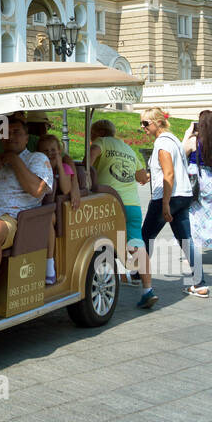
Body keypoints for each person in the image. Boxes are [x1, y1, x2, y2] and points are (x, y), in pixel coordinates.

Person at [0, 116, 53, 313]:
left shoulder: (38, 159)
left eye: (17, 132)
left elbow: (36, 190)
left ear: (27, 138)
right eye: (7, 133)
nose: (11, 137)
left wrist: (15, 161)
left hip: (14, 220)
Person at [139, 107, 204, 299]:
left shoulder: (161, 143)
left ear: (158, 122)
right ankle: (200, 284)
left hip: (166, 197)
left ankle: (138, 276)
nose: (142, 127)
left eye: (145, 123)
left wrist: (165, 203)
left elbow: (169, 174)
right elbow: (169, 168)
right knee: (186, 239)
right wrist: (151, 176)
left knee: (145, 237)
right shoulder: (174, 139)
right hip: (183, 195)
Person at [89, 117, 152, 300]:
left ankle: (111, 279)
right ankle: (148, 289)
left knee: (103, 241)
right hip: (132, 204)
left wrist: (87, 168)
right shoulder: (128, 149)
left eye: (92, 135)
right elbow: (142, 177)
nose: (91, 138)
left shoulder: (102, 142)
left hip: (109, 203)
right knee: (137, 244)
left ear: (99, 133)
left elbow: (90, 157)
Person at [183, 110, 212, 269]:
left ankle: (193, 253)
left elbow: (181, 153)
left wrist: (187, 134)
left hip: (199, 180)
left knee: (194, 216)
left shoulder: (195, 141)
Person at [38, 133, 81, 285]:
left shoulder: (65, 168)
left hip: (56, 210)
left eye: (53, 150)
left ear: (59, 150)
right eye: (45, 151)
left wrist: (60, 166)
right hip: (39, 206)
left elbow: (66, 189)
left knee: (48, 218)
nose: (50, 153)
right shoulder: (38, 167)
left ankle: (50, 265)